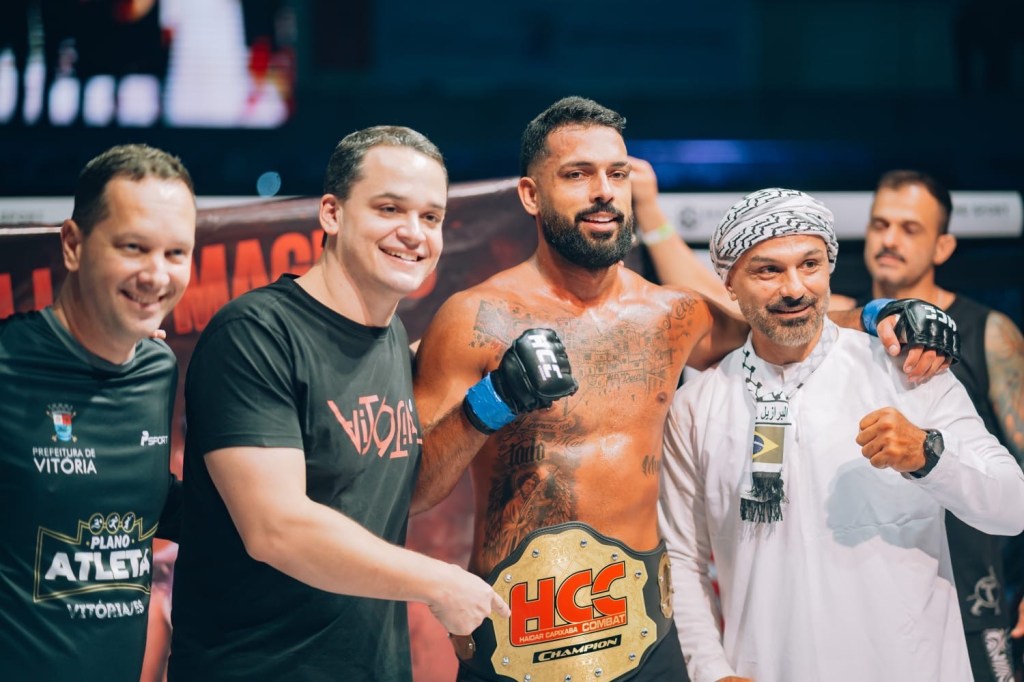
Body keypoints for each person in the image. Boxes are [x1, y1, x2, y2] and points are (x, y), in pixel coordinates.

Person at [410, 96, 958, 682]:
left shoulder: (670, 315)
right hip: (519, 643)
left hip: (646, 641)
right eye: (578, 174)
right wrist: (491, 402)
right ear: (530, 194)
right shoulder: (475, 320)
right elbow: (414, 491)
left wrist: (881, 315)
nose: (604, 191)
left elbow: (781, 322)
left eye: (617, 173)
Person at [167, 126, 509, 682]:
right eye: (389, 208)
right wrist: (439, 583)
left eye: (431, 216)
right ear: (332, 212)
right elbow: (276, 528)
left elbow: (386, 498)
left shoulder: (390, 338)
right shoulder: (256, 334)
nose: (413, 233)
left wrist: (492, 401)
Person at [658, 187, 1024, 682]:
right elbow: (681, 558)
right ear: (729, 283)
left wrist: (929, 456)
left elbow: (1012, 507)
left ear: (829, 267)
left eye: (810, 264)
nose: (794, 288)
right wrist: (711, 671)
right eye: (768, 270)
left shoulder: (907, 370)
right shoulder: (697, 406)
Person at [0, 143, 197, 680]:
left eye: (175, 253)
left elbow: (144, 498)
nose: (156, 275)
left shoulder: (158, 369)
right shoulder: (8, 363)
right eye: (134, 247)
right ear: (73, 245)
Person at [850, 169, 1024, 682]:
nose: (890, 239)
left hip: (972, 585)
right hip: (869, 590)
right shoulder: (840, 326)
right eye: (881, 224)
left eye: (910, 228)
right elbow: (733, 310)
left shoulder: (988, 332)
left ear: (943, 245)